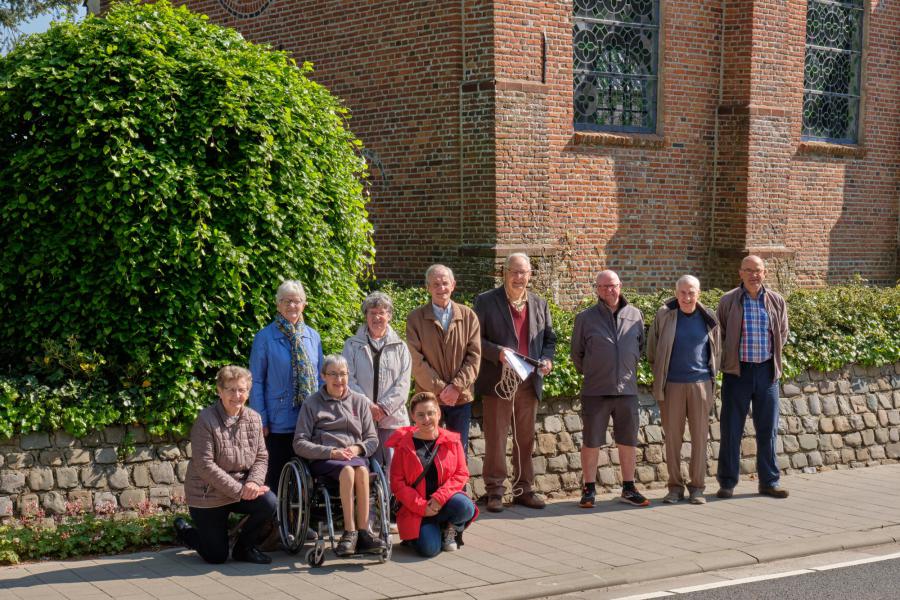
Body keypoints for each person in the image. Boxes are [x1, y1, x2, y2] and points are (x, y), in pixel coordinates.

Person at [474, 253, 557, 513]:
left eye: (524, 273)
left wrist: (547, 359)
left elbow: (549, 340)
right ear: (504, 273)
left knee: (525, 438)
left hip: (529, 381)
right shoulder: (486, 301)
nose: (519, 278)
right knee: (496, 438)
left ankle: (523, 490)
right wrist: (497, 353)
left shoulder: (540, 304)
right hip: (499, 381)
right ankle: (495, 492)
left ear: (530, 275)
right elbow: (475, 339)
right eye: (514, 272)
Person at [175, 365, 276, 564]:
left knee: (270, 502)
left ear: (248, 392)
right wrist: (240, 490)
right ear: (219, 391)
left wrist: (254, 483)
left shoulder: (254, 418)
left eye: (242, 390)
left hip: (241, 488)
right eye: (230, 389)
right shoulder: (205, 419)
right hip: (208, 493)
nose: (237, 395)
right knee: (216, 556)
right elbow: (205, 465)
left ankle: (244, 549)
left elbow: (261, 457)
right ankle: (185, 532)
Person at [292, 354, 385, 556]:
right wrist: (331, 452)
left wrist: (357, 448)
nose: (339, 379)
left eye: (343, 374)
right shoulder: (312, 403)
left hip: (354, 457)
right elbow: (299, 443)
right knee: (350, 471)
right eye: (333, 374)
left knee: (360, 469)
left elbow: (372, 438)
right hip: (325, 459)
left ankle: (364, 533)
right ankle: (350, 532)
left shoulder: (359, 402)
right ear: (323, 376)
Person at [571, 269, 649, 508]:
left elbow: (641, 348)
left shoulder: (635, 315)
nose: (609, 290)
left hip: (627, 389)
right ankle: (589, 488)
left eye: (612, 285)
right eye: (603, 287)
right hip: (596, 390)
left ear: (620, 285)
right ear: (597, 290)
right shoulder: (585, 318)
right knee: (592, 440)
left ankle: (628, 488)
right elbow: (577, 354)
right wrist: (596, 372)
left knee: (628, 440)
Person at [716, 255, 790, 499]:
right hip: (738, 373)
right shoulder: (728, 300)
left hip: (767, 372)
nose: (753, 275)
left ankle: (769, 481)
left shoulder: (776, 300)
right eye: (748, 270)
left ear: (765, 273)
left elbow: (783, 332)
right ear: (740, 273)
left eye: (757, 270)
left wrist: (773, 362)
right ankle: (727, 483)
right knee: (731, 429)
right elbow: (721, 334)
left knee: (768, 430)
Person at [647, 275, 721, 505]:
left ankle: (697, 488)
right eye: (683, 293)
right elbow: (652, 351)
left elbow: (718, 351)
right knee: (673, 440)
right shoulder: (664, 315)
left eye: (691, 293)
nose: (687, 297)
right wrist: (661, 375)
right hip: (672, 386)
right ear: (676, 293)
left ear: (698, 293)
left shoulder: (708, 316)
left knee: (700, 437)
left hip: (701, 385)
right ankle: (674, 488)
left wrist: (710, 379)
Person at [249, 279, 325, 491]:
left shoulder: (313, 337)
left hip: (308, 419)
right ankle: (277, 522)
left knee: (308, 479)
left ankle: (302, 522)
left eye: (296, 301)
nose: (292, 306)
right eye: (286, 301)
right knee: (277, 476)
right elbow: (255, 381)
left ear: (304, 304)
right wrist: (260, 418)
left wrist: (323, 412)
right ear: (277, 305)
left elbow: (321, 378)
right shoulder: (264, 337)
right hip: (277, 420)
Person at [387, 392, 477, 557]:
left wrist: (438, 498)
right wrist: (422, 507)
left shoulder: (452, 440)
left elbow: (461, 473)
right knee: (429, 550)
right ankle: (424, 533)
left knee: (466, 507)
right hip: (416, 509)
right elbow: (397, 484)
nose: (426, 419)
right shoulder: (403, 445)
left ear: (438, 413)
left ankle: (449, 527)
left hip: (443, 503)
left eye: (430, 413)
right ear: (413, 416)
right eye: (420, 415)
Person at [405, 264, 481, 455]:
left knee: (457, 454)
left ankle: (458, 487)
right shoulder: (415, 318)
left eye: (445, 283)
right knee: (427, 454)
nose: (441, 288)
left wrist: (455, 387)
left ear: (453, 285)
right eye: (436, 284)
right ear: (428, 287)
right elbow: (415, 361)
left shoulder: (468, 316)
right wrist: (440, 389)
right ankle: (430, 487)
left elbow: (474, 356)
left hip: (460, 399)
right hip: (428, 401)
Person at [342, 291, 411, 483]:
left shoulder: (401, 347)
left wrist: (383, 408)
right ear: (366, 315)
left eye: (382, 312)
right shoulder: (352, 345)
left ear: (389, 315)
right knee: (365, 470)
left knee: (396, 470)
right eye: (372, 312)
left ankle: (394, 509)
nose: (377, 317)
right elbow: (348, 379)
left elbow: (404, 383)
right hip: (362, 419)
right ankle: (370, 511)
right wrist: (369, 407)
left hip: (393, 419)